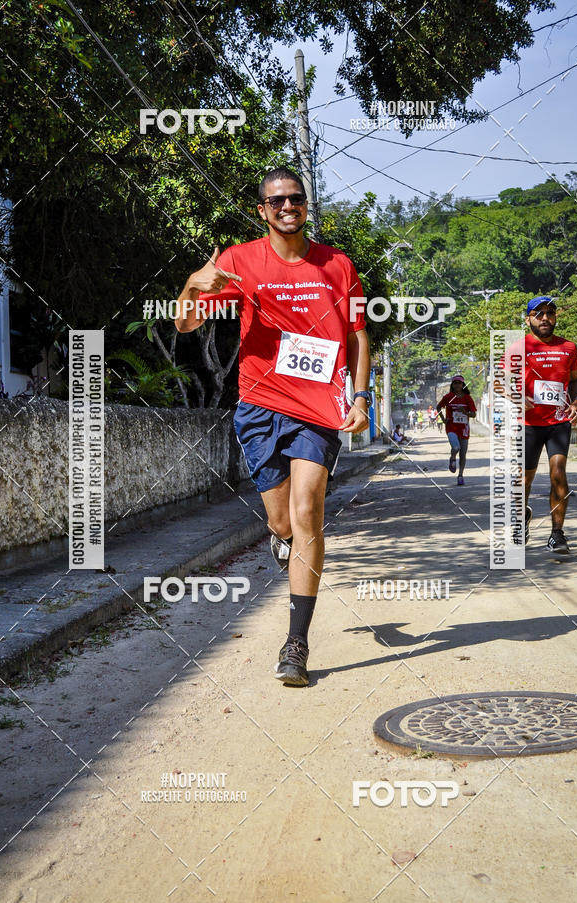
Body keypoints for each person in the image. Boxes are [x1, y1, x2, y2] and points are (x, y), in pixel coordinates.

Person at [175, 166, 371, 686]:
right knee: (283, 523)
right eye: (276, 200)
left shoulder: (338, 265)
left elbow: (356, 336)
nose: (288, 206)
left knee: (308, 510)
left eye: (296, 198)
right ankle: (281, 538)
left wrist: (361, 395)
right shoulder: (239, 260)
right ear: (262, 210)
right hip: (260, 406)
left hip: (319, 407)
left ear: (306, 205)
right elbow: (187, 323)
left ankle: (296, 643)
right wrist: (194, 284)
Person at [520, 296, 577, 553]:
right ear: (528, 319)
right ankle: (521, 516)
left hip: (558, 421)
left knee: (559, 474)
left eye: (550, 313)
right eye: (539, 313)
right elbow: (501, 381)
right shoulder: (519, 347)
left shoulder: (569, 347)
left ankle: (557, 534)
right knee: (524, 480)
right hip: (528, 424)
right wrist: (516, 396)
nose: (545, 318)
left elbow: (576, 379)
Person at [437, 376, 477, 485]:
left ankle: (460, 475)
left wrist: (465, 412)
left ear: (463, 385)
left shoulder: (468, 398)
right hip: (451, 427)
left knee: (463, 454)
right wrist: (443, 419)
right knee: (456, 447)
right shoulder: (448, 397)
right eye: (455, 383)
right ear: (452, 385)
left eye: (459, 383)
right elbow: (438, 407)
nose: (457, 385)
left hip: (464, 429)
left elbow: (473, 414)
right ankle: (452, 457)